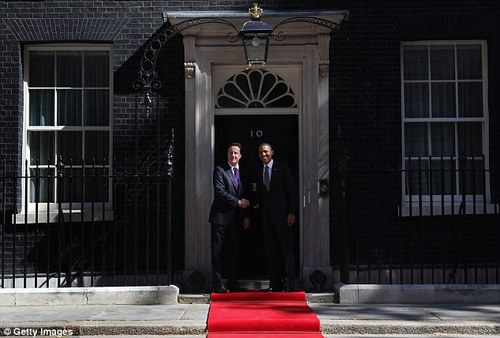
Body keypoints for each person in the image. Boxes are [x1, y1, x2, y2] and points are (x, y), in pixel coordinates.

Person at [254, 142, 298, 292]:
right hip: (267, 219)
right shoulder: (258, 169)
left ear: (272, 152)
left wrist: (292, 212)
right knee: (271, 251)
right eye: (260, 152)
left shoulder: (283, 168)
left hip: (284, 217)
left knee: (286, 250)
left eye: (266, 152)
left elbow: (291, 191)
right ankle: (275, 284)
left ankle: (290, 284)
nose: (263, 155)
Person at [209, 142, 250, 293]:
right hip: (220, 218)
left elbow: (246, 195)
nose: (233, 155)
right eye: (231, 152)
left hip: (236, 220)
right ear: (227, 154)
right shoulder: (220, 170)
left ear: (240, 155)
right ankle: (218, 284)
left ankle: (233, 283)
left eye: (236, 153)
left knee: (233, 252)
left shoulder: (244, 172)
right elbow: (220, 192)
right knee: (217, 252)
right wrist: (238, 202)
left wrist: (246, 214)